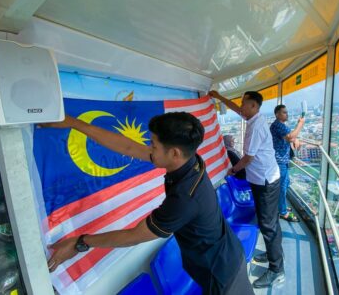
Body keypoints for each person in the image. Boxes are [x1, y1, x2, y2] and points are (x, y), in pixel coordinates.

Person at [42, 112, 253, 295]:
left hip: (221, 273)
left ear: (174, 153)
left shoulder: (184, 198)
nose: (149, 148)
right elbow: (128, 147)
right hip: (225, 250)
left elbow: (133, 236)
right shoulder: (189, 159)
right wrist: (75, 123)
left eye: (153, 144)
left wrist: (80, 242)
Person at [209, 90, 285, 289]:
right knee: (269, 221)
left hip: (265, 181)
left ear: (254, 106)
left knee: (268, 226)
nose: (240, 107)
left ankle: (277, 270)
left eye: (244, 103)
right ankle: (272, 253)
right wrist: (219, 96)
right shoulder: (254, 118)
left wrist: (232, 170)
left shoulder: (255, 127)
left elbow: (248, 158)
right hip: (265, 178)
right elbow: (237, 109)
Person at [270, 105, 304, 222]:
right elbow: (290, 137)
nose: (286, 114)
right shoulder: (277, 125)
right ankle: (282, 212)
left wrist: (296, 139)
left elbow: (291, 136)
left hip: (282, 160)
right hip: (279, 161)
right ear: (277, 114)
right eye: (284, 112)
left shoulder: (281, 125)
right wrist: (300, 124)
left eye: (286, 112)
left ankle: (281, 206)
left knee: (285, 184)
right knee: (282, 187)